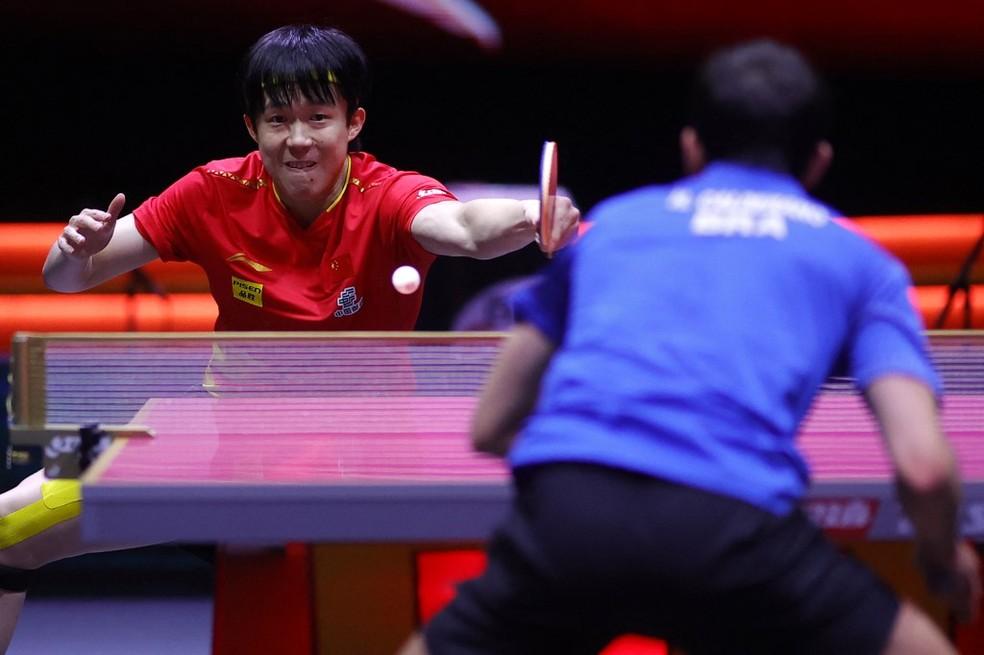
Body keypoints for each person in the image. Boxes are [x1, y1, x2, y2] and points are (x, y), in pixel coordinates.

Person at [0, 23, 580, 651]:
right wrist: (70, 250)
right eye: (278, 119)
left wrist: (529, 218)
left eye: (319, 117)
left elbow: (466, 228)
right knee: (7, 526)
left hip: (364, 465)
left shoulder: (388, 195)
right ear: (253, 127)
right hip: (223, 448)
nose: (298, 139)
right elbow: (70, 279)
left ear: (353, 123)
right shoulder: (213, 192)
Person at [401, 39, 981, 655]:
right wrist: (943, 559)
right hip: (736, 531)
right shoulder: (864, 265)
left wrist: (598, 472)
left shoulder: (614, 229)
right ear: (817, 161)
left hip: (572, 521)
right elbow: (924, 467)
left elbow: (490, 424)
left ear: (692, 145)